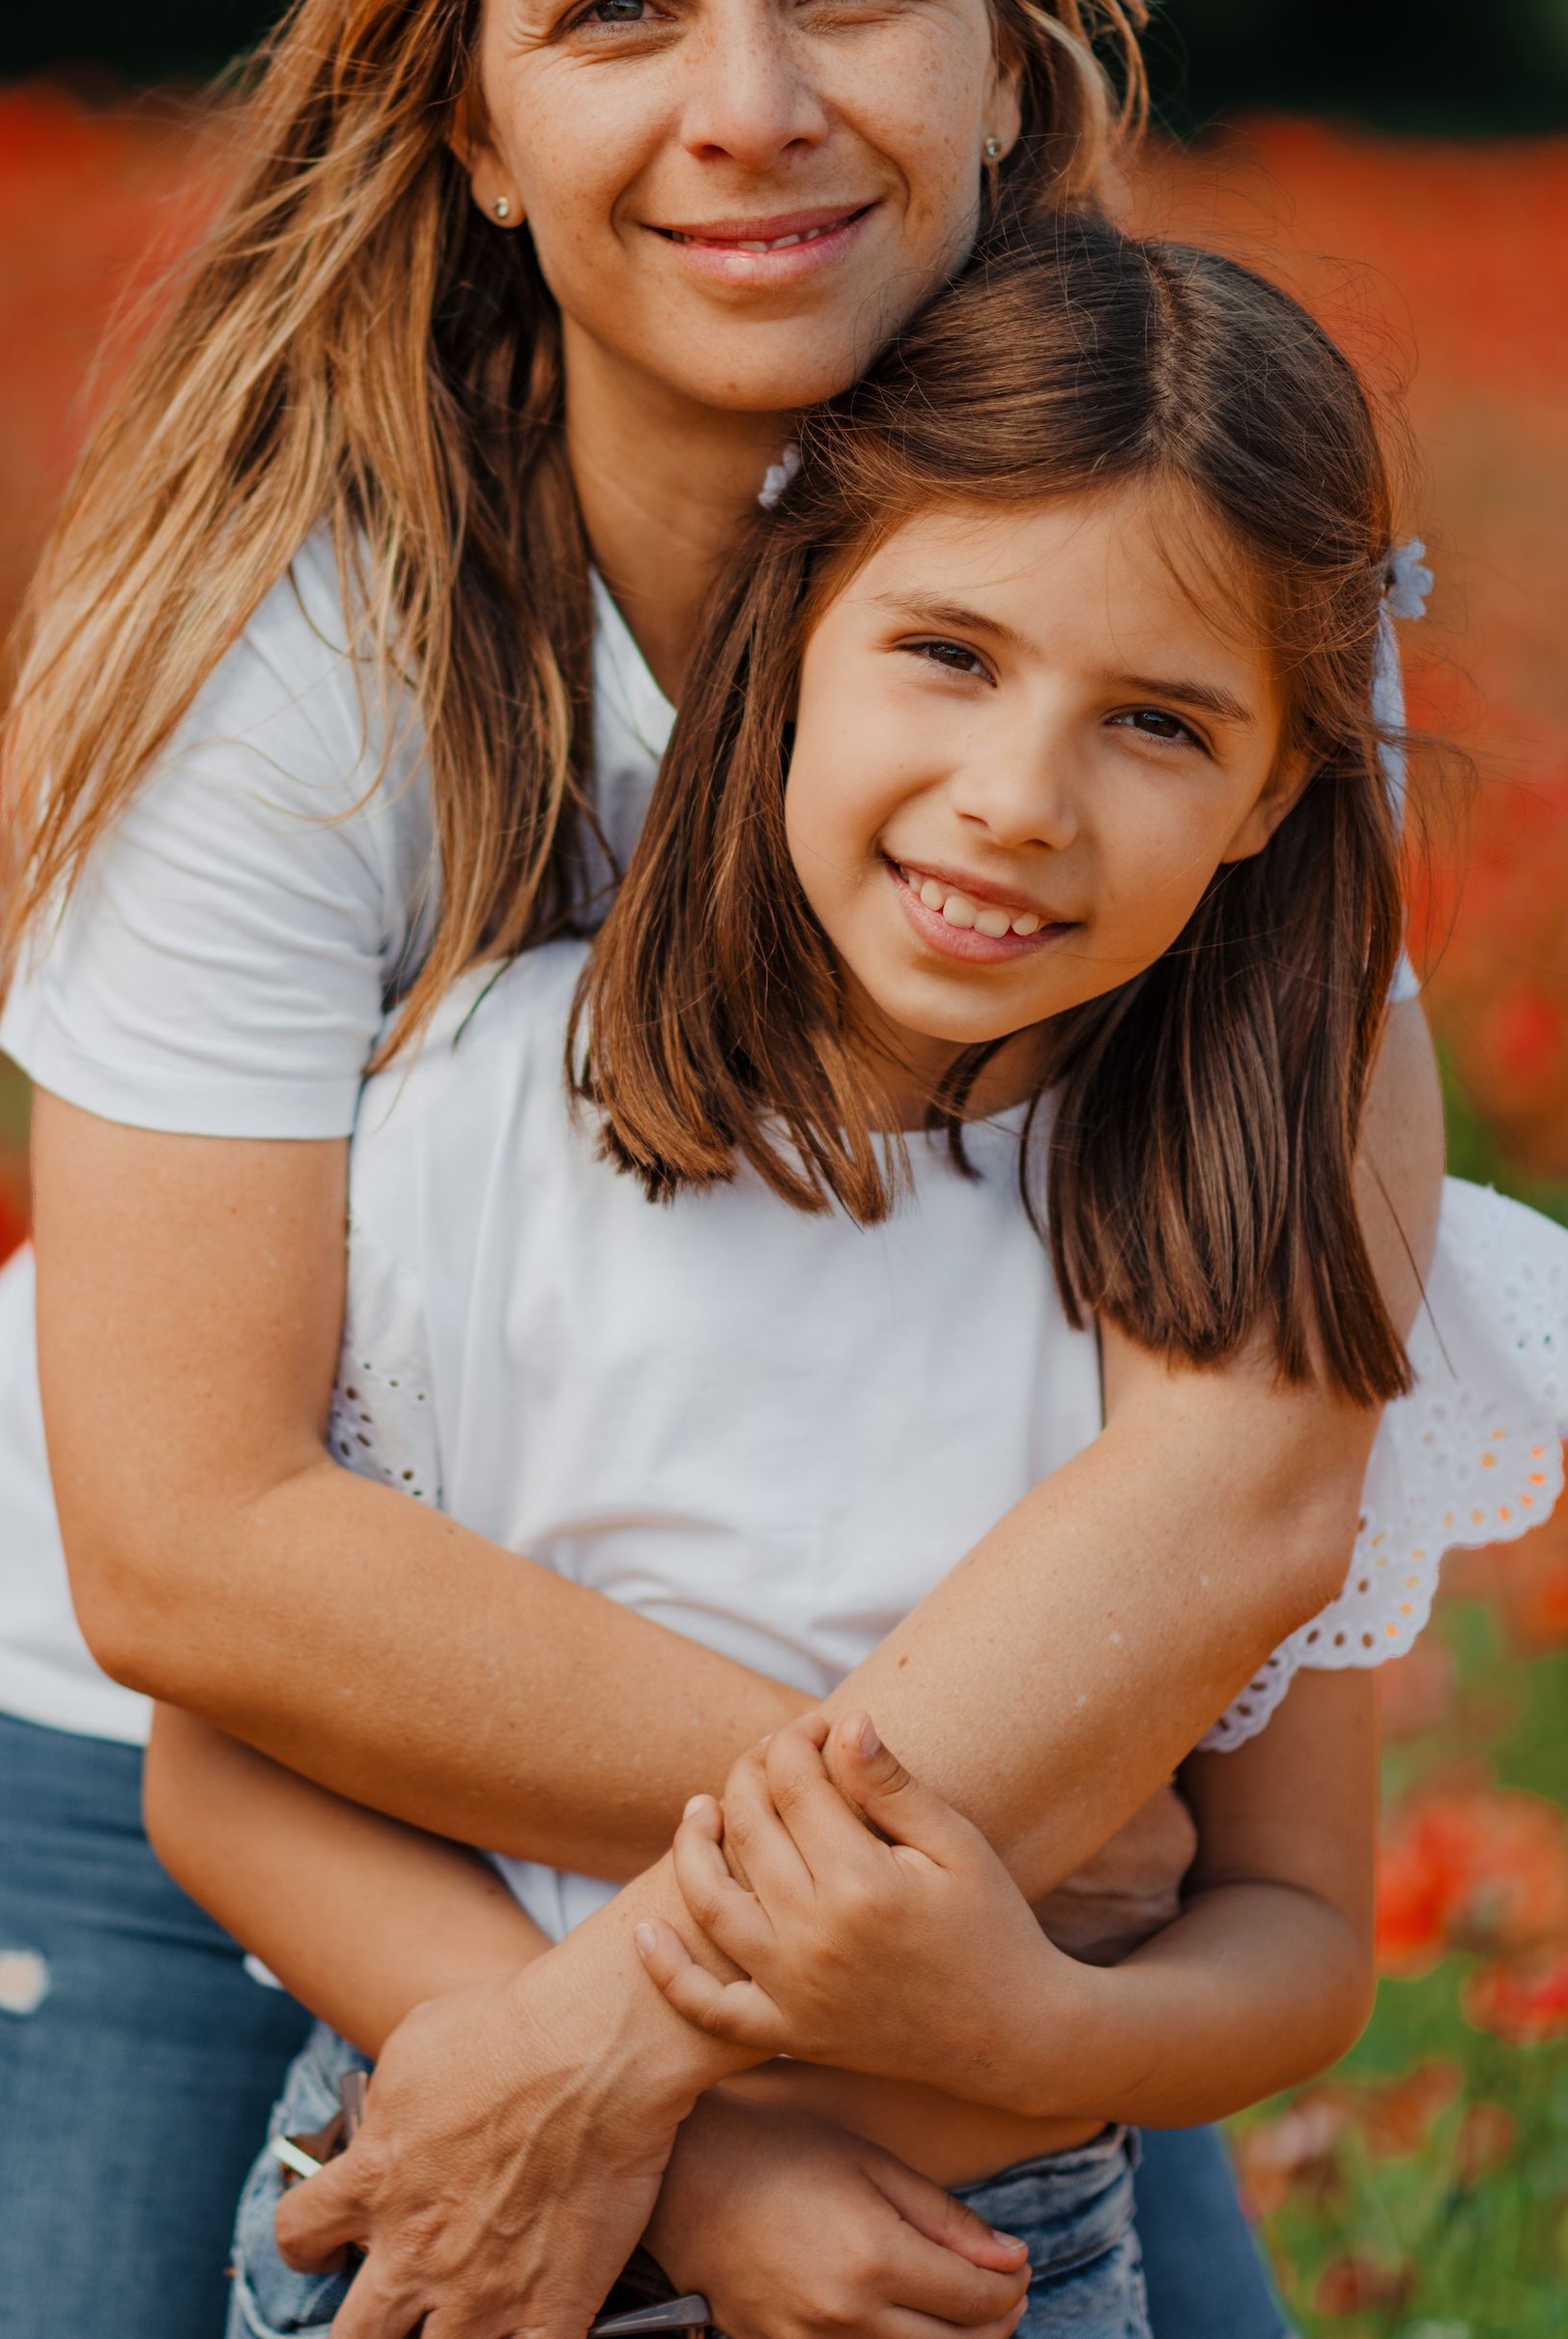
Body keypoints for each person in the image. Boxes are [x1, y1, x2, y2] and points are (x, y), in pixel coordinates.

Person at [0, 0, 1443, 2338]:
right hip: (233, 1776)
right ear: (471, 121)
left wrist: (737, 2001)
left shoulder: (1221, 580)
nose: (753, 104)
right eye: (613, 11)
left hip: (988, 1825)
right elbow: (208, 1553)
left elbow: (1254, 1444)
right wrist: (801, 1981)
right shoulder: (300, 660)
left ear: (1011, 54)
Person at [146, 219, 1566, 2339]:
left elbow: (1289, 1923)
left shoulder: (1222, 1253)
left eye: (1161, 727)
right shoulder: (469, 1115)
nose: (1016, 802)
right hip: (453, 2207)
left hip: (976, 2267)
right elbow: (220, 1763)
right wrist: (698, 2161)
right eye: (954, 657)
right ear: (793, 620)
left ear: (1280, 789)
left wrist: (1032, 2029)